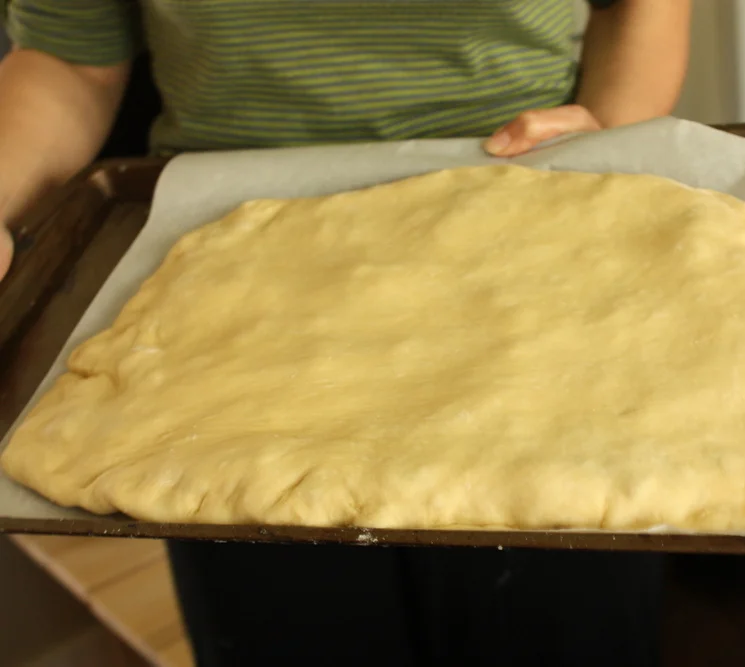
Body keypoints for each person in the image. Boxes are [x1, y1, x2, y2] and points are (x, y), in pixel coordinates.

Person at [0, 1, 691, 665]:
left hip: (531, 230)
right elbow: (71, 57)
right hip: (225, 294)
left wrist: (614, 131)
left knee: (555, 623)